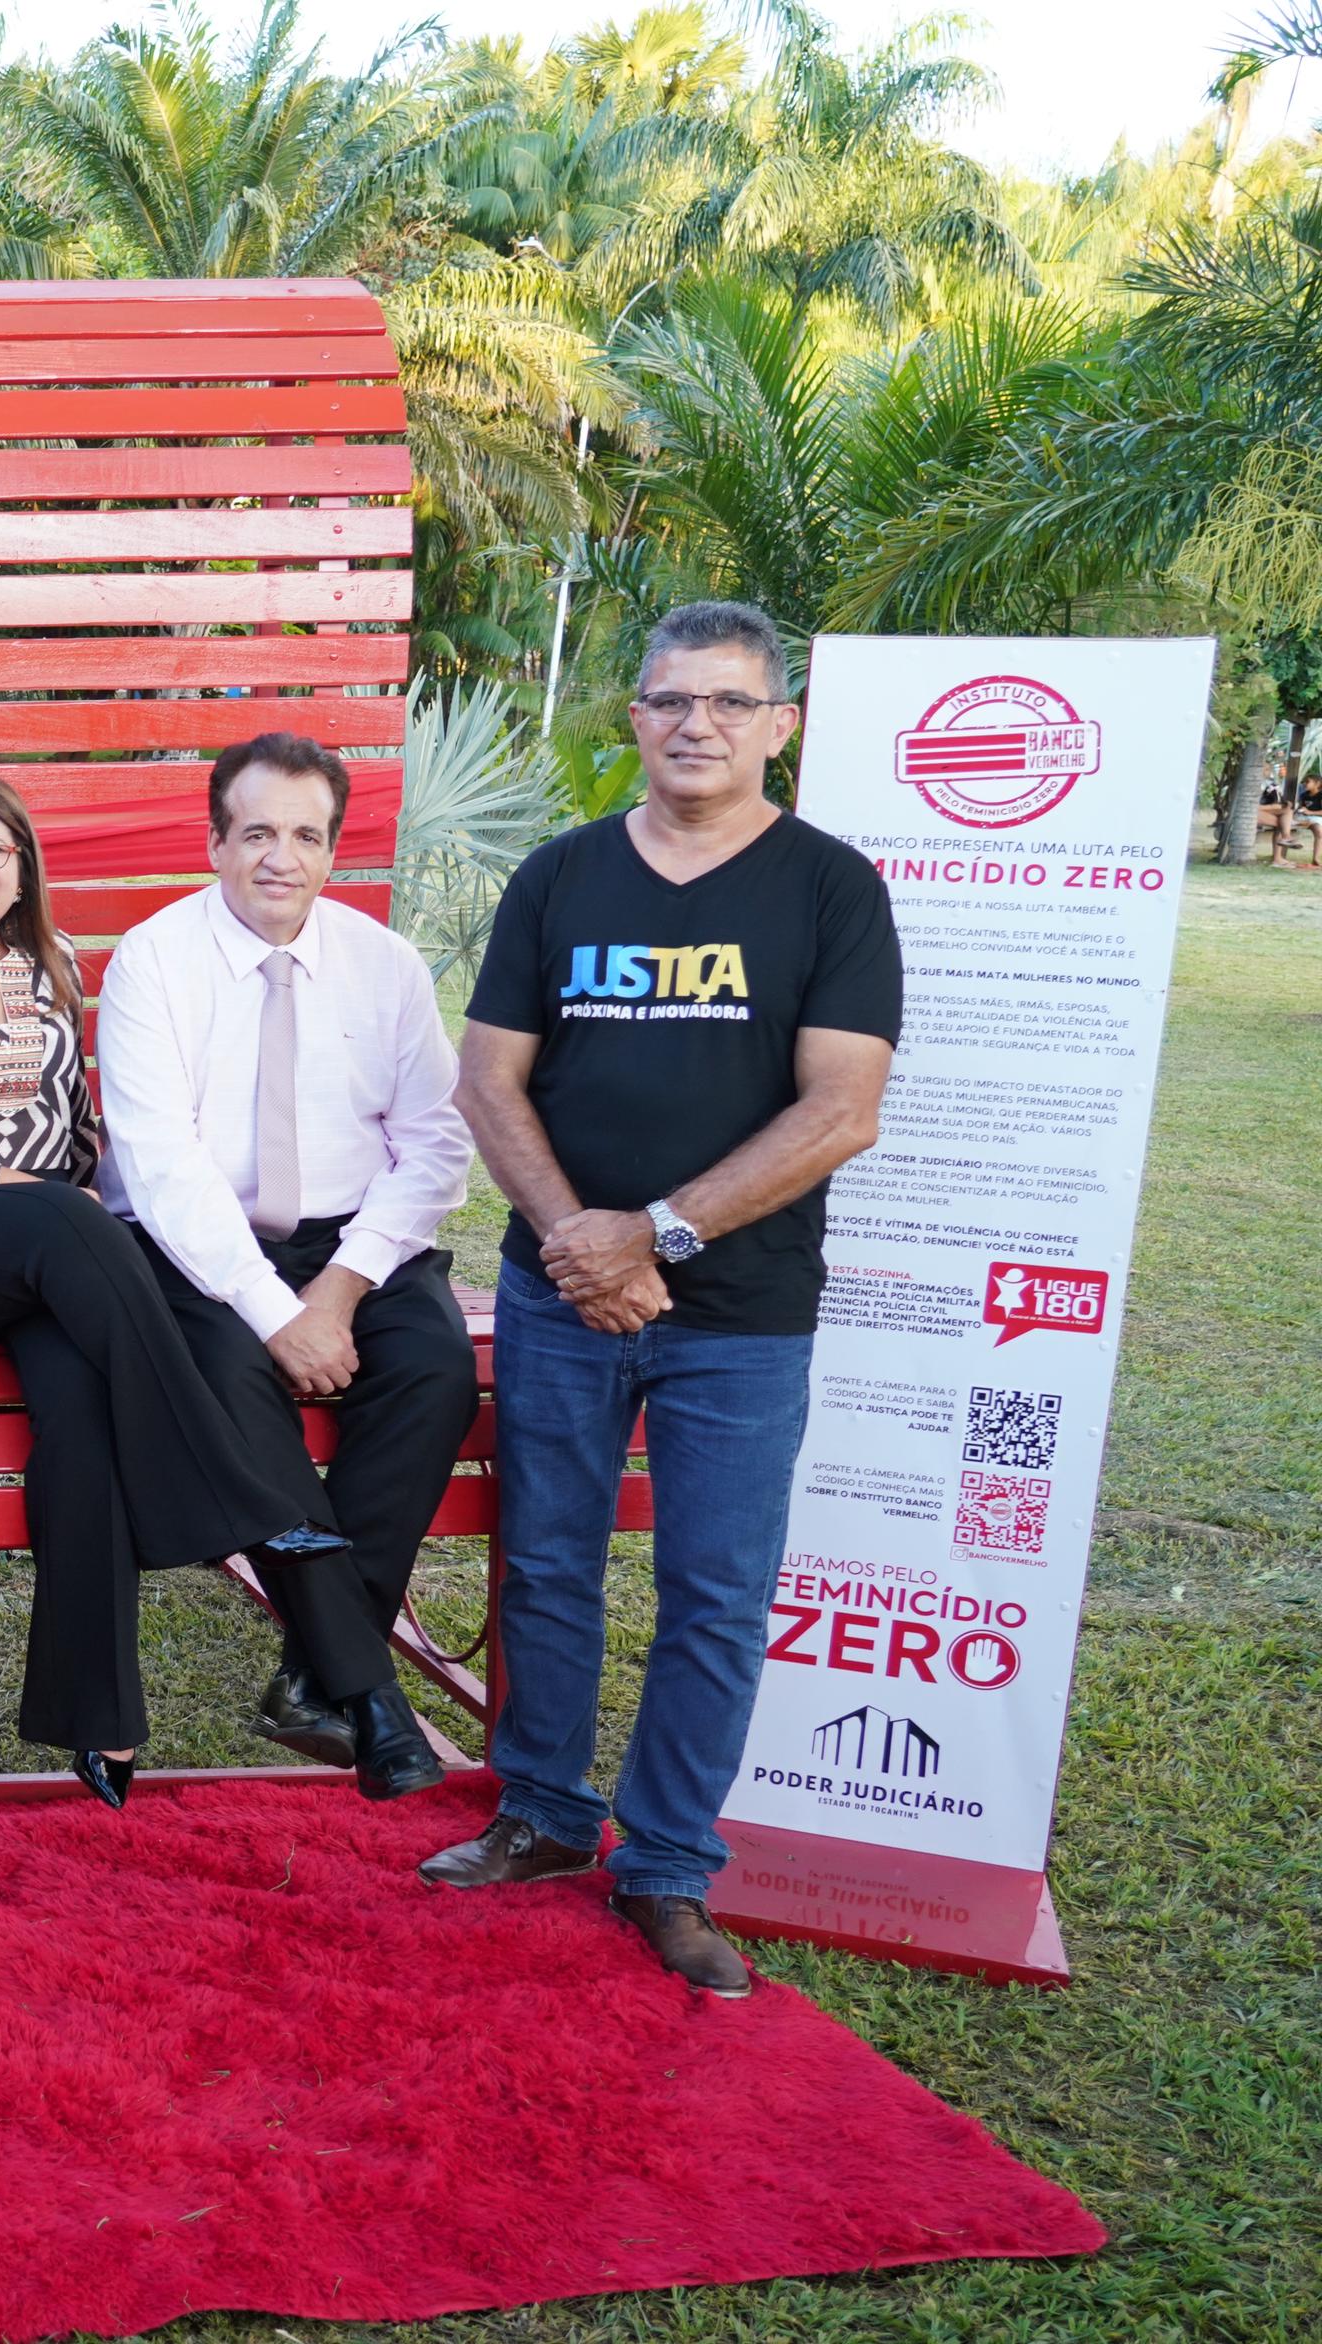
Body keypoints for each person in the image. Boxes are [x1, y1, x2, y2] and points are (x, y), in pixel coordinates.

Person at [423, 599, 900, 1997]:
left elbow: (843, 1109)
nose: (697, 725)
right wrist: (579, 1235)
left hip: (741, 1316)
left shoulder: (828, 888)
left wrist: (660, 1237)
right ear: (633, 716)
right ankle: (544, 1814)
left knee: (714, 1594)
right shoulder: (563, 878)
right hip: (561, 1291)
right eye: (671, 700)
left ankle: (673, 1865)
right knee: (548, 1565)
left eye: (731, 703)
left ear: (780, 727)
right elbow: (488, 1078)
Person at [0, 774, 345, 1808]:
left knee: (85, 1412)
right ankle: (226, 1482)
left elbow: (77, 1128)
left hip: (38, 1252)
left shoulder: (47, 965)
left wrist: (51, 1192)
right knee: (65, 1217)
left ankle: (94, 1717)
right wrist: (9, 1188)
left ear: (20, 870)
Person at [96, 735, 476, 1801]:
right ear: (214, 841)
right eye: (255, 832)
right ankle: (368, 1695)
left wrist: (341, 1289)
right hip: (196, 1248)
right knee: (231, 1390)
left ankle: (316, 1673)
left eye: (304, 836)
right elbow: (163, 1170)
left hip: (352, 1243)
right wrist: (275, 1314)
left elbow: (436, 1142)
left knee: (434, 1370)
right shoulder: (153, 959)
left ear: (330, 849)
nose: (279, 858)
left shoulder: (384, 965)